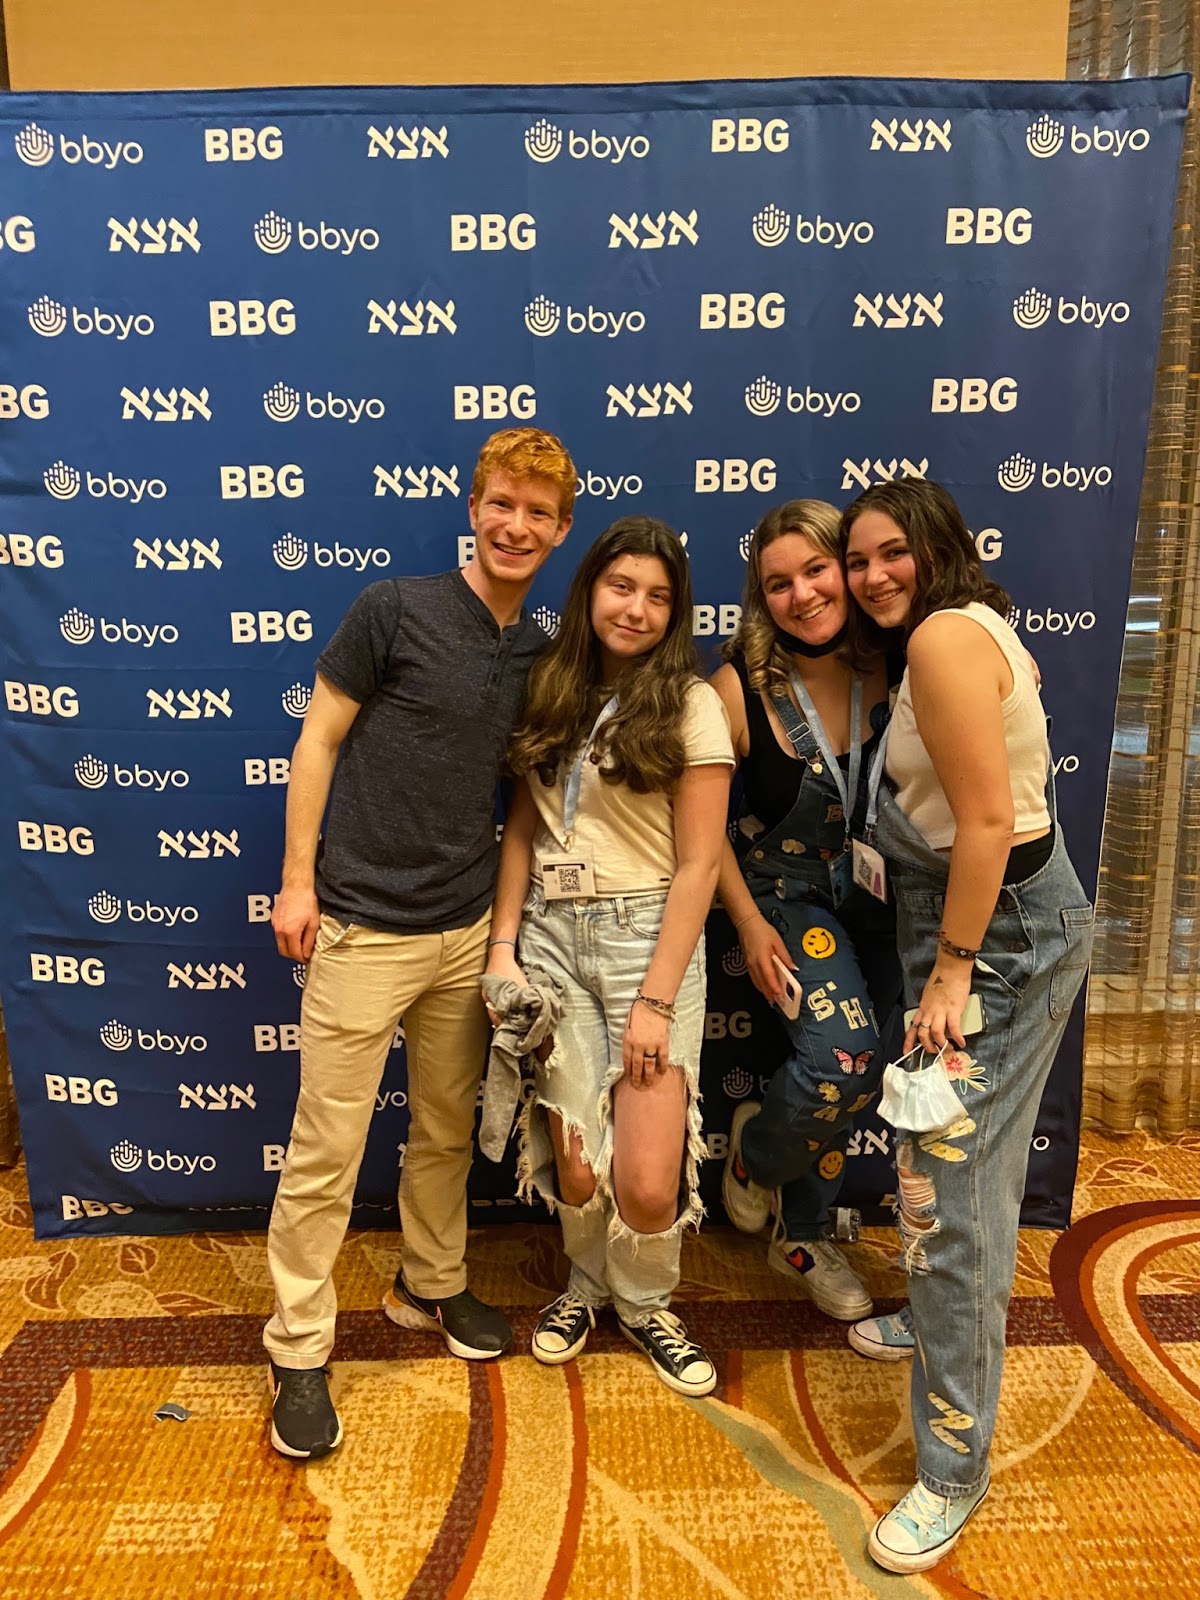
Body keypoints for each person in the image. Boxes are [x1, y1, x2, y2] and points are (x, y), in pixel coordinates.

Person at [263, 426, 576, 1460]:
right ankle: (299, 1346)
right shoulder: (392, 609)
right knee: (325, 1153)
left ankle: (428, 1285)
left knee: (444, 1131)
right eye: (502, 502)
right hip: (357, 925)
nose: (516, 523)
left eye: (537, 511)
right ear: (473, 506)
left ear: (560, 530)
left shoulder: (539, 653)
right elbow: (318, 738)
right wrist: (298, 880)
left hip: (465, 932)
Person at [842, 479, 1094, 1573]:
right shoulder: (970, 630)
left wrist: (950, 968)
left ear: (936, 548)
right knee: (949, 1168)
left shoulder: (945, 637)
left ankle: (953, 1463)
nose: (870, 576)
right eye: (859, 561)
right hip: (984, 926)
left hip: (993, 940)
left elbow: (989, 820)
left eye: (892, 552)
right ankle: (943, 1317)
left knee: (955, 1191)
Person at [485, 517, 734, 1395]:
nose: (636, 608)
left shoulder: (692, 703)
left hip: (645, 942)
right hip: (552, 934)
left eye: (659, 596)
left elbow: (701, 862)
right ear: (590, 588)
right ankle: (589, 1288)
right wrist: (503, 946)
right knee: (580, 1163)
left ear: (677, 612)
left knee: (648, 1183)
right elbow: (522, 827)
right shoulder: (548, 686)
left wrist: (656, 999)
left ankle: (647, 1301)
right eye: (622, 587)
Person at [711, 499, 907, 1326]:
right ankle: (757, 1155)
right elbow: (698, 833)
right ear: (762, 597)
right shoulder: (734, 689)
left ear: (848, 569)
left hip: (884, 899)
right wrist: (750, 927)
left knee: (883, 1061)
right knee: (846, 1058)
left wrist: (1016, 655)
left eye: (818, 571)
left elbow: (978, 622)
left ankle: (806, 1234)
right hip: (785, 902)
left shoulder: (901, 661)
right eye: (778, 583)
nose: (803, 595)